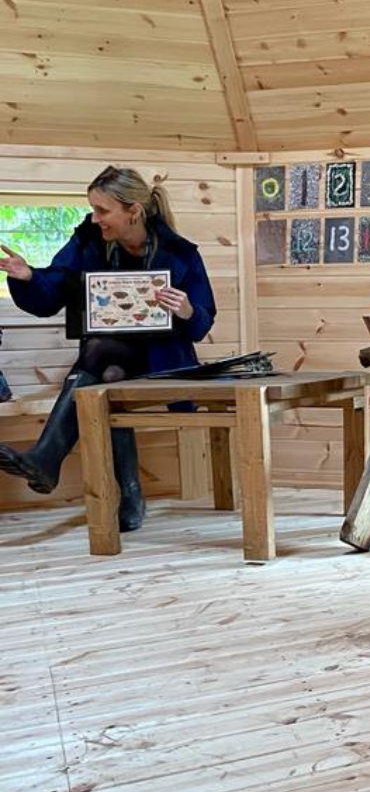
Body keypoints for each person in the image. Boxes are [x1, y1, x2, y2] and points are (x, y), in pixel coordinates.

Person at [0, 166, 216, 530]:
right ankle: (126, 493)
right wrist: (28, 277)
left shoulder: (180, 254)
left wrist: (186, 309)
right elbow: (52, 291)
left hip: (161, 362)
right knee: (108, 376)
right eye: (93, 209)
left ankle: (51, 460)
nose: (94, 218)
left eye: (102, 210)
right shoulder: (87, 242)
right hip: (110, 360)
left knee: (102, 367)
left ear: (133, 211)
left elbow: (202, 322)